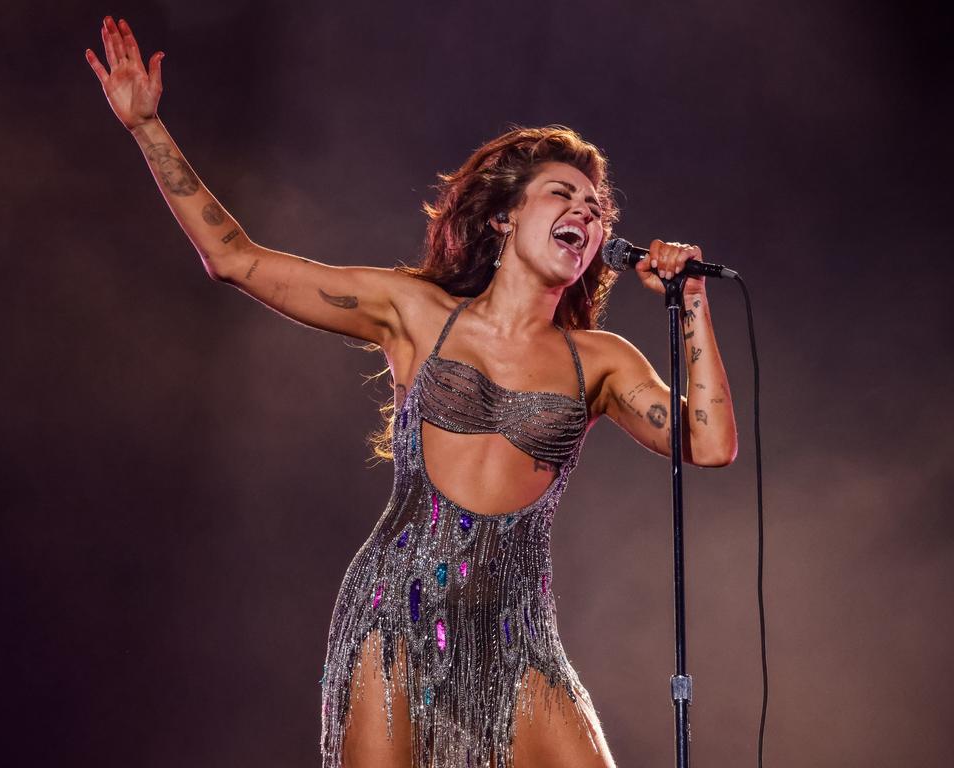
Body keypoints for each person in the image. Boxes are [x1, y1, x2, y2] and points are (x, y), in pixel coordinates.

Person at [87, 16, 738, 768]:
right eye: (565, 195)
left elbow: (711, 444)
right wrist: (145, 127)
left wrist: (690, 301)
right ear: (505, 214)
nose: (588, 215)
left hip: (517, 633)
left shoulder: (600, 361)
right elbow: (235, 260)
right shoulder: (415, 311)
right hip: (396, 610)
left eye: (598, 211)